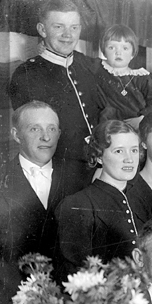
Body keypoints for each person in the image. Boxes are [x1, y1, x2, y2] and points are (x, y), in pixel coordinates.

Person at [0, 101, 69, 304]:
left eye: (52, 128)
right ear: (16, 134)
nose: (46, 137)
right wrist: (21, 303)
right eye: (35, 129)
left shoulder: (78, 178)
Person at [8, 0, 104, 192]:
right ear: (42, 30)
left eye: (74, 27)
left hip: (100, 169)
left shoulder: (89, 65)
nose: (68, 35)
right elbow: (33, 137)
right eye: (59, 27)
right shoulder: (27, 74)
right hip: (58, 176)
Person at [54, 120, 141, 279]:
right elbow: (76, 276)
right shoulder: (78, 204)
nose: (129, 159)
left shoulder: (140, 200)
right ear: (99, 157)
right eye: (119, 151)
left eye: (134, 150)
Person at [95, 24, 152, 127]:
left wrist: (142, 119)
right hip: (108, 126)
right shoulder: (98, 70)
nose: (118, 53)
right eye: (111, 47)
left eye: (125, 48)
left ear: (132, 53)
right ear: (104, 52)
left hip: (137, 125)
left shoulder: (143, 78)